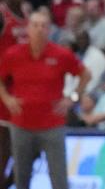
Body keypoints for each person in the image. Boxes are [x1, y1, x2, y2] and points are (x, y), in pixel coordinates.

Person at [0, 10, 90, 189]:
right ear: (28, 29)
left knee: (59, 179)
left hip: (51, 125)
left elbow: (85, 74)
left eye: (44, 26)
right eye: (35, 25)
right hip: (21, 125)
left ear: (49, 30)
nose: (39, 29)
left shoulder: (61, 54)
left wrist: (72, 97)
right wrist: (6, 98)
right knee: (21, 178)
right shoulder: (13, 54)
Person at [0, 0, 30, 186]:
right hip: (4, 88)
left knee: (25, 151)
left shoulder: (27, 15)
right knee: (3, 148)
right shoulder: (2, 14)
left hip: (23, 89)